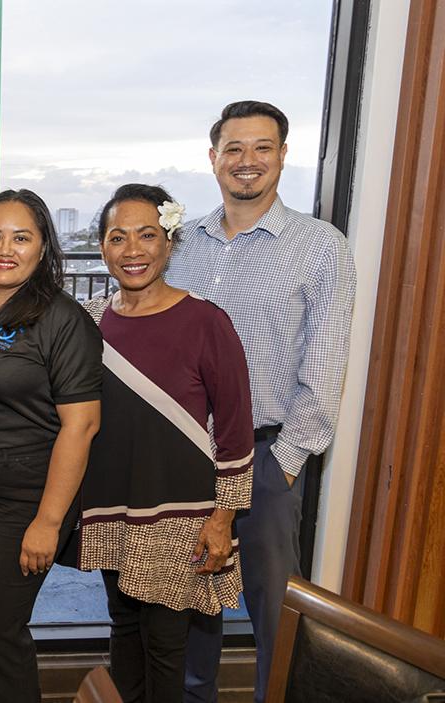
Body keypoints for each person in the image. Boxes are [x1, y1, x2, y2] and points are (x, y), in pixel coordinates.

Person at [165, 101, 357, 703]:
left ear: (282, 155)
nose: (247, 161)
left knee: (275, 611)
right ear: (213, 157)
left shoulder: (320, 247)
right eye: (234, 149)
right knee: (193, 608)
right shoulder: (183, 242)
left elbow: (325, 366)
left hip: (267, 454)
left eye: (262, 148)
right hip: (188, 453)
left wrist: (285, 464)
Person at [79, 184, 253, 703]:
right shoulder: (90, 321)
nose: (133, 250)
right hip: (112, 507)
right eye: (118, 237)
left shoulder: (206, 320)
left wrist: (222, 518)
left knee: (165, 646)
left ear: (170, 242)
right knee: (123, 632)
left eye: (147, 235)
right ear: (103, 247)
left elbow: (235, 427)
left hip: (180, 514)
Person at [0, 189, 102, 703]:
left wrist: (48, 522)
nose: (5, 248)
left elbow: (83, 426)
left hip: (27, 492)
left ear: (44, 245)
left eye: (21, 237)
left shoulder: (61, 318)